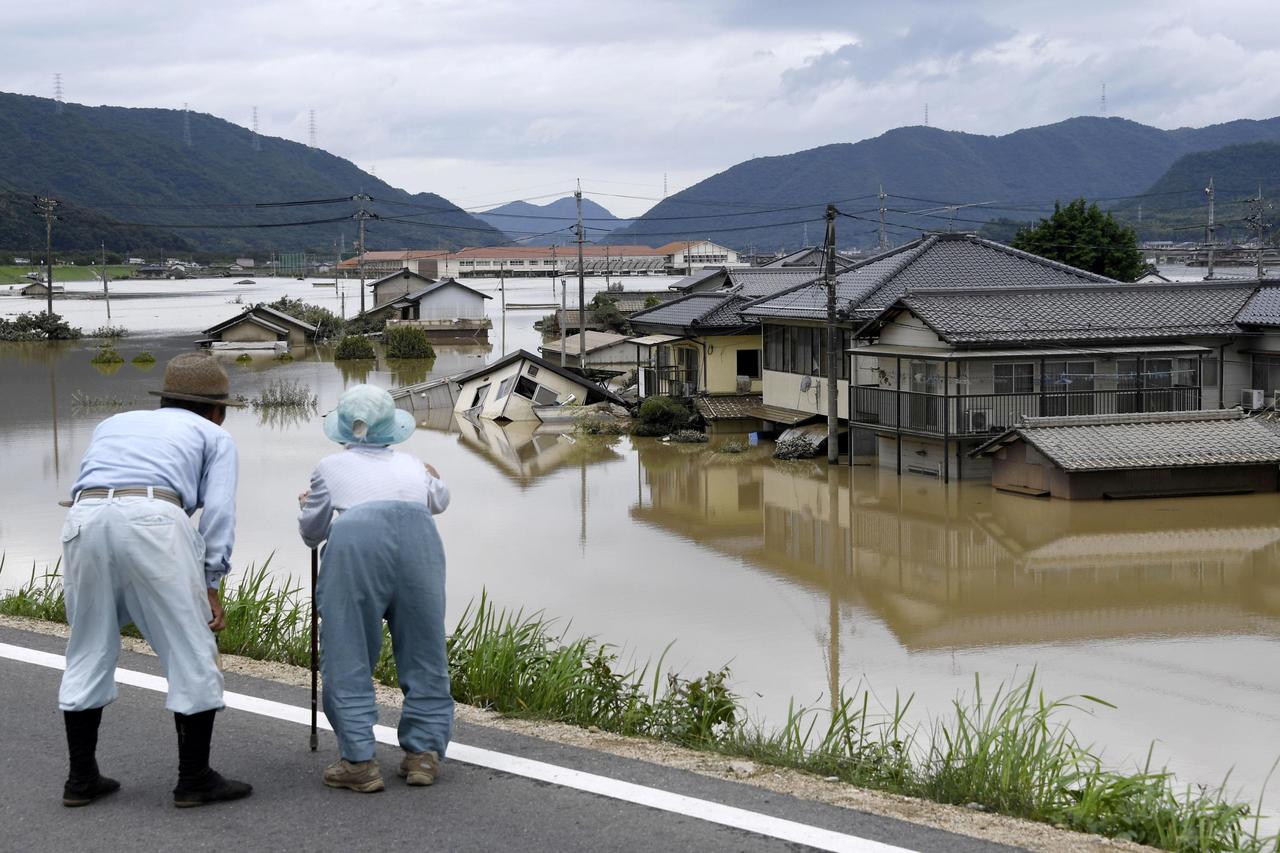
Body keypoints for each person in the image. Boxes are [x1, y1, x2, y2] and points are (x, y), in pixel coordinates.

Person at [58, 351, 253, 808]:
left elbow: (96, 482)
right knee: (191, 648)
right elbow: (219, 513)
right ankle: (194, 779)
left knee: (88, 644)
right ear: (217, 410)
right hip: (154, 519)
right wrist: (212, 583)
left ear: (165, 398)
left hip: (84, 517)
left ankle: (81, 778)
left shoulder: (114, 424)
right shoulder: (214, 436)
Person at [298, 384, 452, 793]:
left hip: (356, 545)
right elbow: (440, 501)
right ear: (392, 428)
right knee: (425, 649)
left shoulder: (329, 467)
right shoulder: (414, 464)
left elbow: (312, 535)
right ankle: (424, 754)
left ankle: (359, 760)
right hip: (419, 542)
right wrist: (430, 477)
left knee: (348, 650)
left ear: (343, 429)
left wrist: (308, 504)